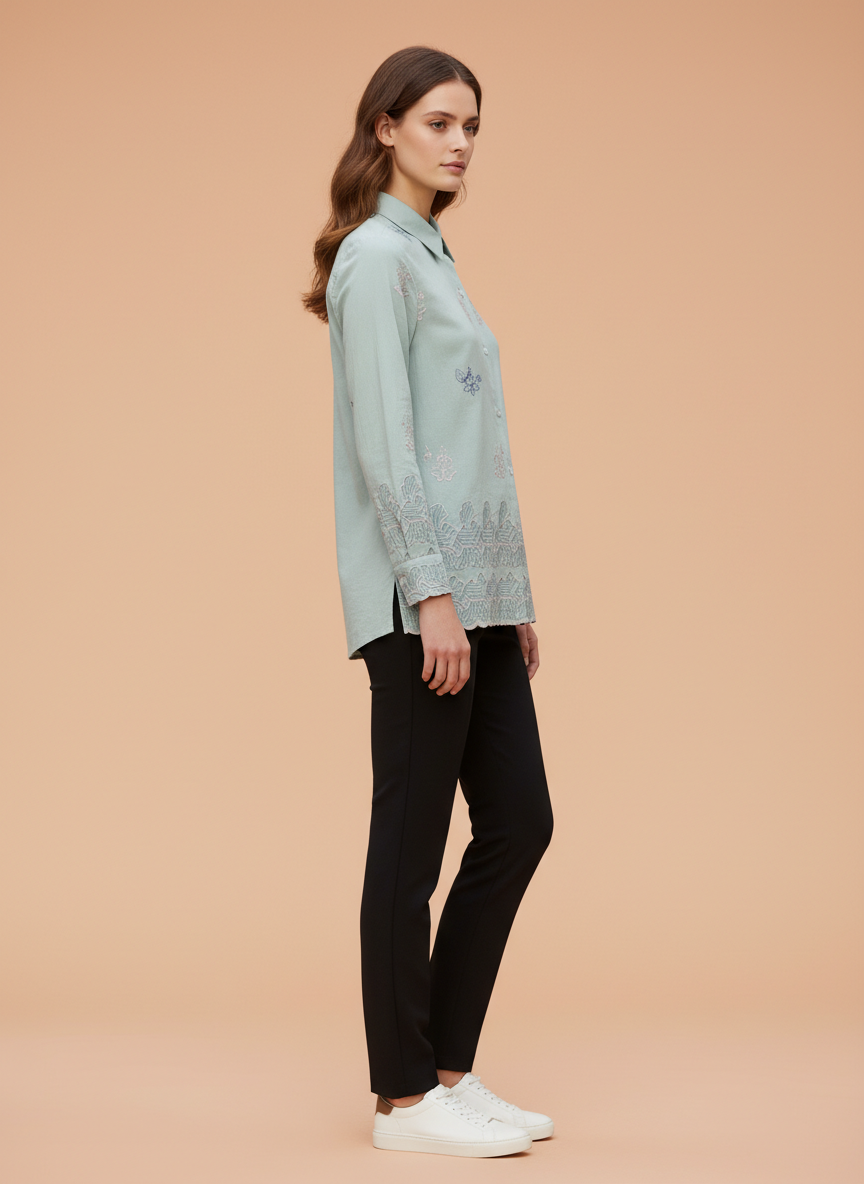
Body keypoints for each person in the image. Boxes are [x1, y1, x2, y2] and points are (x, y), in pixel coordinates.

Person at [302, 45, 555, 1158]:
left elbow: (476, 447)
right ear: (387, 127)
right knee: (408, 848)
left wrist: (509, 595)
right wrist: (436, 593)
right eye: (441, 122)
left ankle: (449, 1069)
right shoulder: (374, 258)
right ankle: (404, 1101)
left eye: (473, 127)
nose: (460, 144)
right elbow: (388, 444)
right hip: (423, 605)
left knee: (520, 819)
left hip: (475, 598)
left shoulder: (432, 256)